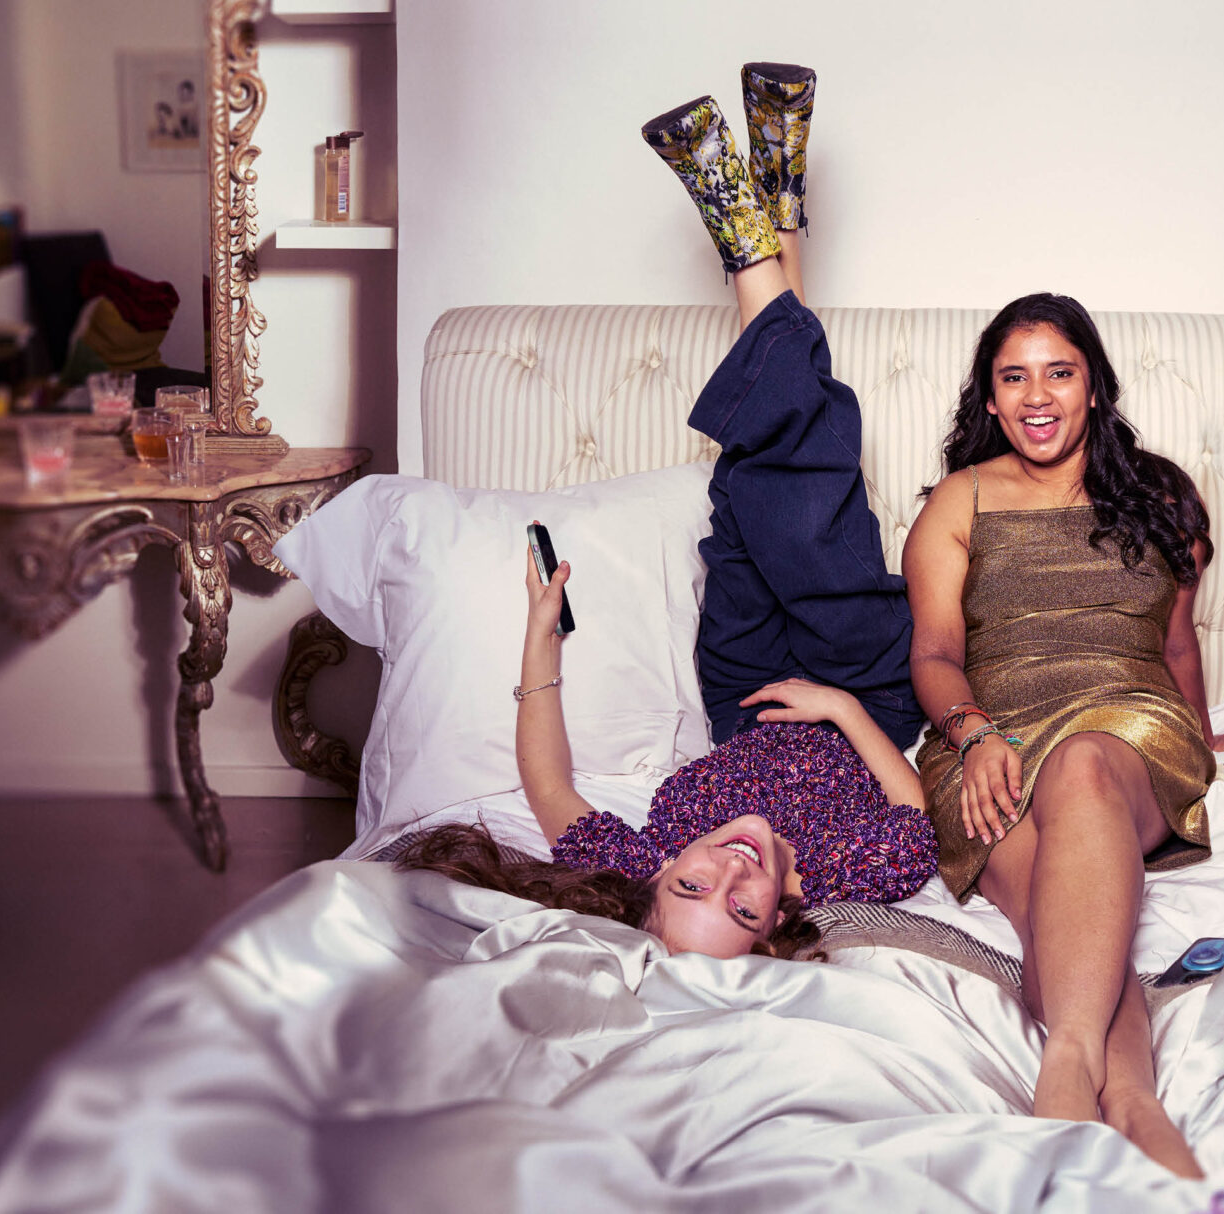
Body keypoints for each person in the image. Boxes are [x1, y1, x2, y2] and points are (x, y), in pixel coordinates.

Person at [401, 63, 936, 963]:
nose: (728, 872)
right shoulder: (839, 874)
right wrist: (842, 708)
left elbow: (548, 786)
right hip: (867, 691)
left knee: (751, 491)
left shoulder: (638, 858)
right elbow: (914, 820)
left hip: (745, 688)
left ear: (660, 878)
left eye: (693, 887)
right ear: (776, 926)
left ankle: (775, 201)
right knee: (806, 518)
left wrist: (541, 633)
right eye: (742, 908)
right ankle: (752, 237)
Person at [903, 293, 1224, 1178]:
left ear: (1093, 387)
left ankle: (1066, 1071)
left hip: (1128, 729)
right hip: (989, 744)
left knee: (1082, 765)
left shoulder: (1162, 498)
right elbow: (932, 655)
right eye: (1015, 377)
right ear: (991, 398)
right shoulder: (960, 501)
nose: (1037, 396)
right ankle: (1136, 1106)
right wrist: (973, 736)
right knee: (1058, 917)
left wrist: (1209, 744)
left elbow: (1177, 646)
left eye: (1059, 372)